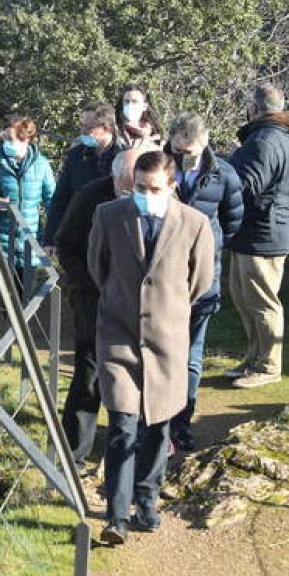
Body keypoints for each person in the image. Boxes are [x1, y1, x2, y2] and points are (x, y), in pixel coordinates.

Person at [88, 151, 215, 544]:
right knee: (122, 426)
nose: (146, 195)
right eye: (139, 188)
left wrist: (168, 310)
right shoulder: (109, 216)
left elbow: (200, 280)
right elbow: (97, 268)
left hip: (167, 341)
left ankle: (147, 501)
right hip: (119, 336)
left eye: (154, 189)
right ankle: (116, 517)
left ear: (172, 186)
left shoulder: (195, 224)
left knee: (159, 426)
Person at [55, 147, 152, 473]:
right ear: (114, 177)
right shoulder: (89, 198)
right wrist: (91, 284)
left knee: (135, 376)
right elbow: (66, 245)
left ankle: (128, 452)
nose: (134, 192)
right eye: (128, 184)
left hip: (138, 305)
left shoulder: (155, 198)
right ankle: (73, 455)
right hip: (93, 300)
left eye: (138, 185)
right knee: (89, 374)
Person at [163, 112, 243, 451]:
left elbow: (233, 221)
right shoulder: (158, 168)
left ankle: (181, 423)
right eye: (178, 150)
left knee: (191, 356)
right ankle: (156, 424)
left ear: (205, 142)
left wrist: (208, 245)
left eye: (190, 151)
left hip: (202, 278)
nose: (184, 157)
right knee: (161, 353)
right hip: (163, 278)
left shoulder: (224, 175)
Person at [224, 82, 289, 389]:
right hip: (258, 229)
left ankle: (269, 365)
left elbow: (247, 184)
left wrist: (225, 169)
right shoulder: (280, 137)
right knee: (244, 297)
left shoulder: (264, 141)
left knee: (262, 301)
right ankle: (254, 358)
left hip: (264, 230)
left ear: (255, 109)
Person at [0, 116, 56, 274]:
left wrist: (51, 237)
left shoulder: (41, 165)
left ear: (26, 140)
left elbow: (52, 201)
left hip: (31, 243)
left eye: (10, 139)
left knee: (27, 287)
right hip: (3, 244)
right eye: (4, 138)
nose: (6, 144)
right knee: (8, 287)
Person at [44, 100, 123, 254]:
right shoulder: (76, 156)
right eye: (82, 126)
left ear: (107, 128)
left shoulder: (124, 158)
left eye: (88, 127)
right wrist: (51, 238)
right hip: (78, 239)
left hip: (112, 240)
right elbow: (60, 198)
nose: (82, 131)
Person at [117, 82, 164, 150]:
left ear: (144, 106)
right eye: (126, 101)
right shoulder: (115, 131)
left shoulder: (155, 133)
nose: (130, 105)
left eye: (134, 101)